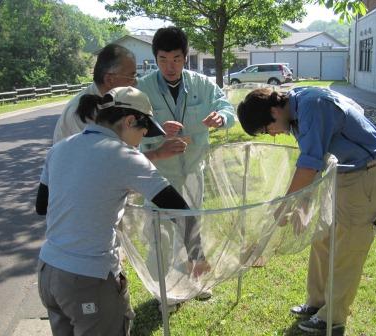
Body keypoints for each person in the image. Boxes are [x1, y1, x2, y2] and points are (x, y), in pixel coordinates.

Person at [36, 86, 210, 335]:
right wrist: (197, 256)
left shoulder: (60, 148)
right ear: (130, 121)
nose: (143, 138)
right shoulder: (124, 155)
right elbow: (179, 209)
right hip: (88, 278)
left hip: (48, 273)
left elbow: (41, 206)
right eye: (144, 130)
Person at [237, 86, 376, 334]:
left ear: (274, 111)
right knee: (322, 239)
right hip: (337, 175)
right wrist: (302, 205)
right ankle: (316, 302)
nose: (272, 135)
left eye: (267, 128)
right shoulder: (293, 111)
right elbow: (314, 158)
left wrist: (284, 208)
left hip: (363, 176)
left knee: (348, 248)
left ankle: (333, 317)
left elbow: (308, 165)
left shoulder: (312, 105)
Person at [136, 26, 235, 303]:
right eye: (163, 59)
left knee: (192, 226)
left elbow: (226, 107)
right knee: (160, 233)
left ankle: (197, 281)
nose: (170, 66)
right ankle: (162, 292)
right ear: (155, 58)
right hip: (157, 174)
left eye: (177, 59)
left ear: (185, 57)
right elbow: (128, 124)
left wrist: (221, 118)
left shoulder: (200, 84)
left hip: (193, 169)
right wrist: (155, 130)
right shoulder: (141, 89)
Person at [53, 43, 186, 160]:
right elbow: (109, 163)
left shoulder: (117, 102)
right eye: (131, 76)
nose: (135, 82)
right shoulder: (82, 114)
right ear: (110, 79)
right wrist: (157, 154)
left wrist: (158, 133)